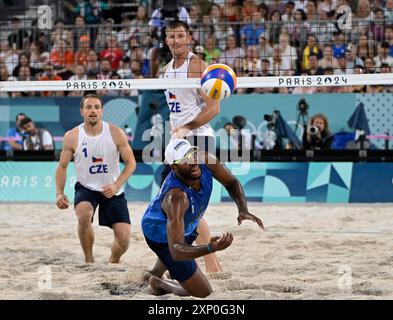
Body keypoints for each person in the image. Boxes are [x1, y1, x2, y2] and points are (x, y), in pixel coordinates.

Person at [142, 139, 264, 297]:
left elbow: (232, 182)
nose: (192, 162)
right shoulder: (176, 197)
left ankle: (155, 273)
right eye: (184, 160)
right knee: (204, 293)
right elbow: (176, 251)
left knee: (183, 240)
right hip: (158, 233)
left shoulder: (206, 161)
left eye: (192, 154)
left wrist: (243, 209)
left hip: (185, 223)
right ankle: (160, 283)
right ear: (174, 167)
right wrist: (210, 248)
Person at [156, 20, 223, 275]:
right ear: (166, 40)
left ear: (189, 38)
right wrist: (179, 132)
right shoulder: (165, 70)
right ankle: (208, 262)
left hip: (199, 139)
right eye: (171, 36)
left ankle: (210, 263)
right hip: (178, 142)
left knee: (185, 205)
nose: (175, 40)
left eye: (180, 35)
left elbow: (214, 108)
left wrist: (187, 127)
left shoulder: (197, 66)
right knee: (181, 205)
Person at [55, 93, 136, 263]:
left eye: (96, 107)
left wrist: (116, 185)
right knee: (84, 215)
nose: (93, 111)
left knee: (123, 239)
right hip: (86, 188)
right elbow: (62, 166)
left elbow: (131, 163)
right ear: (81, 111)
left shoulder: (115, 133)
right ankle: (89, 260)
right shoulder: (72, 136)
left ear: (102, 111)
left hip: (112, 188)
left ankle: (113, 259)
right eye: (89, 107)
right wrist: (59, 193)